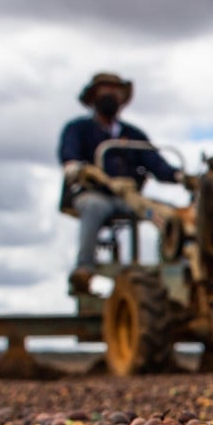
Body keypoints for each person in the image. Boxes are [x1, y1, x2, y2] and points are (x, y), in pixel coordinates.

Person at [57, 72, 180, 293]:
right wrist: (80, 168)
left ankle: (173, 268)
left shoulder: (133, 135)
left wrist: (180, 176)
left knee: (166, 214)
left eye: (114, 91)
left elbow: (157, 165)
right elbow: (69, 158)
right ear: (94, 97)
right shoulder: (78, 129)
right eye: (105, 91)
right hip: (93, 193)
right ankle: (84, 269)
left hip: (129, 199)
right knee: (95, 207)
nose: (110, 95)